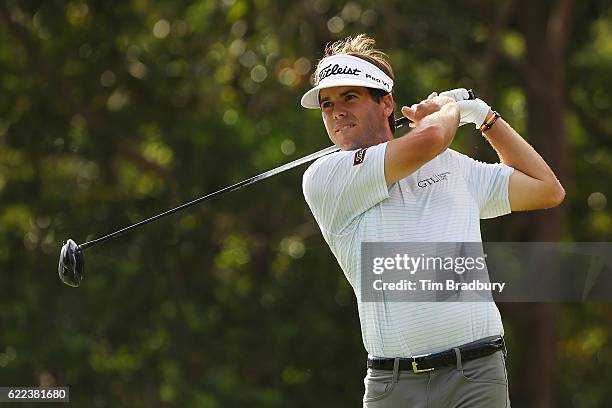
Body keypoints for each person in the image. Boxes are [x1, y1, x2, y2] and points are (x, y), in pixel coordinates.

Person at [300, 34, 565, 407]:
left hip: (476, 374)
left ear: (386, 102)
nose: (336, 111)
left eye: (350, 97)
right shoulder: (327, 176)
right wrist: (449, 112)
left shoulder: (453, 167)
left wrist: (486, 118)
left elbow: (546, 189)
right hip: (392, 386)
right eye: (327, 104)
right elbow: (430, 141)